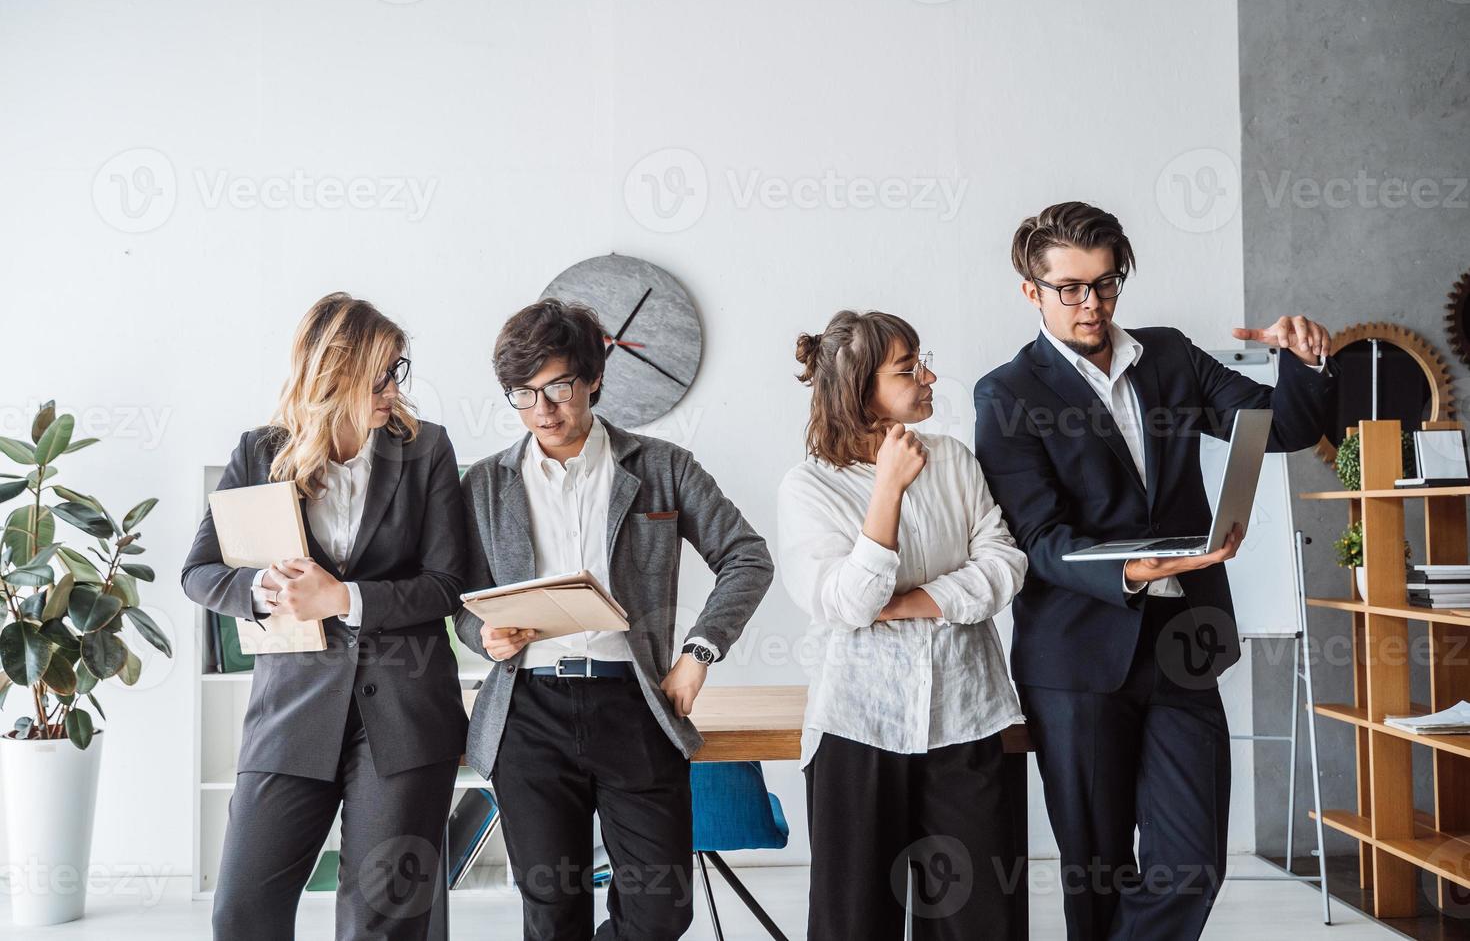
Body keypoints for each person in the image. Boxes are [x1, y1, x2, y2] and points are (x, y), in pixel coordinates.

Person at [973, 202, 1337, 941]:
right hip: (1076, 658)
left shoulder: (1168, 356)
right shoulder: (1009, 393)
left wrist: (1303, 362)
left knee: (1192, 864)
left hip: (1182, 644)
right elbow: (1039, 540)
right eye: (1070, 288)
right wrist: (1129, 572)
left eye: (1106, 284)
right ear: (1031, 290)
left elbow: (1286, 428)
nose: (1092, 304)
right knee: (1099, 873)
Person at [454, 298, 773, 941]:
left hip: (635, 702)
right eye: (523, 393)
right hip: (527, 710)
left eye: (559, 386)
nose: (542, 409)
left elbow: (747, 557)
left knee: (662, 909)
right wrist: (483, 635)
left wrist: (698, 653)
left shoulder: (662, 467)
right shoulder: (484, 485)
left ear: (595, 378)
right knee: (552, 914)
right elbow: (461, 596)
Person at [181, 292, 468, 941]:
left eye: (400, 369)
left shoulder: (427, 453)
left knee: (382, 921)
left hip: (404, 712)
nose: (394, 387)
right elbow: (198, 573)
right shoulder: (261, 452)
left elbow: (448, 585)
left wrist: (344, 598)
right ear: (333, 372)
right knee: (241, 912)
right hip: (291, 710)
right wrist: (261, 587)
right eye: (381, 371)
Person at [777, 310, 1029, 940]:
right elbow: (847, 602)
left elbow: (1004, 565)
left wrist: (915, 602)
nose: (929, 376)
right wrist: (886, 489)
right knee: (855, 924)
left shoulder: (953, 460)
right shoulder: (808, 487)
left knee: (982, 923)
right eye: (908, 368)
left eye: (923, 360)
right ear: (859, 390)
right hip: (857, 727)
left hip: (968, 718)